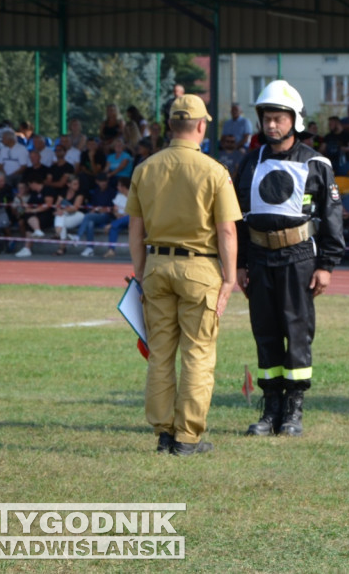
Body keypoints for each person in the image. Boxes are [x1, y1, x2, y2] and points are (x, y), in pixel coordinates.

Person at [127, 93, 241, 456]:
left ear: (170, 126)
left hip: (157, 266)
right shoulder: (213, 171)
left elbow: (135, 228)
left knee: (160, 354)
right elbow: (226, 231)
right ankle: (187, 438)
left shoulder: (146, 168)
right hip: (200, 268)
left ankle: (163, 433)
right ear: (202, 126)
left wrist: (142, 272)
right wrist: (230, 277)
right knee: (198, 353)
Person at [234, 80, 344, 438]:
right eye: (266, 117)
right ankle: (271, 409)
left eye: (278, 118)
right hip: (259, 257)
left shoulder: (316, 162)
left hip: (299, 258)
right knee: (265, 332)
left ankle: (294, 409)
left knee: (297, 331)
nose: (271, 125)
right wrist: (240, 264)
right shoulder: (249, 163)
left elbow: (331, 216)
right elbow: (238, 219)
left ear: (294, 119)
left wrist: (326, 265)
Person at [77, 174, 117, 257]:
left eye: (105, 181)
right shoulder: (95, 192)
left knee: (88, 216)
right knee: (90, 223)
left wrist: (102, 210)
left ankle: (78, 236)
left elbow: (112, 208)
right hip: (96, 215)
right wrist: (94, 210)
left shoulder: (112, 192)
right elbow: (93, 205)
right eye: (101, 181)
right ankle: (90, 248)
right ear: (97, 182)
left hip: (107, 216)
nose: (103, 183)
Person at [51, 176, 85, 255]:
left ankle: (58, 234)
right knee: (60, 218)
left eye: (78, 184)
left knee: (60, 218)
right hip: (65, 216)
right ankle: (61, 247)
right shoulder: (63, 192)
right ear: (68, 184)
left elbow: (75, 208)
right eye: (75, 184)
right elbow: (57, 204)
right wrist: (58, 210)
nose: (77, 186)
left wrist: (62, 210)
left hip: (78, 215)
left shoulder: (80, 193)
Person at [104, 177, 131, 258]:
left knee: (130, 217)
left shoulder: (134, 195)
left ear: (124, 187)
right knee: (114, 228)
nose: (117, 187)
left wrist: (125, 215)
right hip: (120, 220)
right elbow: (115, 210)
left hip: (131, 220)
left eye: (119, 186)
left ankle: (111, 224)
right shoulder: (118, 196)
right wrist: (117, 214)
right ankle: (111, 250)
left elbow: (135, 211)